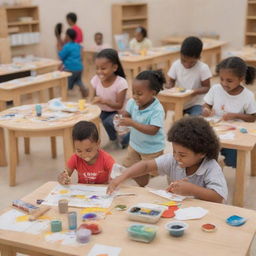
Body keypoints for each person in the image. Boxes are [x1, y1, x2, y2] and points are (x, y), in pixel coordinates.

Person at [107, 116, 228, 203]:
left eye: (182, 155)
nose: (176, 157)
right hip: (180, 208)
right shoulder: (173, 160)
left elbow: (218, 196)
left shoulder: (211, 167)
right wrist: (121, 177)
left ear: (202, 153)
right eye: (174, 152)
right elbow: (146, 166)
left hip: (206, 212)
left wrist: (191, 190)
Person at [203, 56, 256, 168]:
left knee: (233, 162)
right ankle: (213, 164)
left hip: (235, 133)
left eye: (229, 80)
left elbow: (253, 117)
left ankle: (223, 159)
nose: (224, 83)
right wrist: (206, 109)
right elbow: (206, 104)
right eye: (221, 79)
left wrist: (236, 115)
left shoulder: (247, 95)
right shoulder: (216, 89)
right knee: (203, 153)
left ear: (241, 78)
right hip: (215, 129)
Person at [119, 70, 165, 187]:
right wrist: (123, 119)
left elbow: (152, 130)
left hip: (152, 149)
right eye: (133, 92)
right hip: (135, 145)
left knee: (152, 171)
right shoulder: (133, 102)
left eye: (139, 94)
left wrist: (132, 123)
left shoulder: (157, 110)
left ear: (153, 93)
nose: (135, 96)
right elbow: (127, 113)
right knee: (132, 167)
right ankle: (142, 181)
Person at [91, 48, 128, 148]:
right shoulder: (96, 79)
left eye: (103, 68)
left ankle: (127, 135)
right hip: (104, 111)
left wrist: (103, 101)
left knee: (109, 122)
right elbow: (91, 97)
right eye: (97, 68)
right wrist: (91, 101)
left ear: (114, 67)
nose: (99, 72)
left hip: (119, 112)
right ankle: (113, 139)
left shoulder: (121, 83)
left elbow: (119, 105)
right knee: (102, 121)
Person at [166, 36, 212, 116]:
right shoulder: (176, 65)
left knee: (196, 119)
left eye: (191, 62)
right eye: (183, 60)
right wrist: (169, 87)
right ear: (180, 54)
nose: (186, 64)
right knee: (176, 119)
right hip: (181, 102)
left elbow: (207, 88)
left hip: (197, 103)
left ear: (199, 58)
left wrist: (194, 92)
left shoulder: (203, 68)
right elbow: (171, 81)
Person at [58, 28, 88, 98]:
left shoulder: (67, 46)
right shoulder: (77, 45)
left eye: (65, 35)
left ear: (67, 36)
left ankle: (65, 97)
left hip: (70, 69)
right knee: (78, 81)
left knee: (66, 85)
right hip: (79, 68)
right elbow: (81, 55)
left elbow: (61, 57)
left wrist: (59, 49)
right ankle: (84, 91)